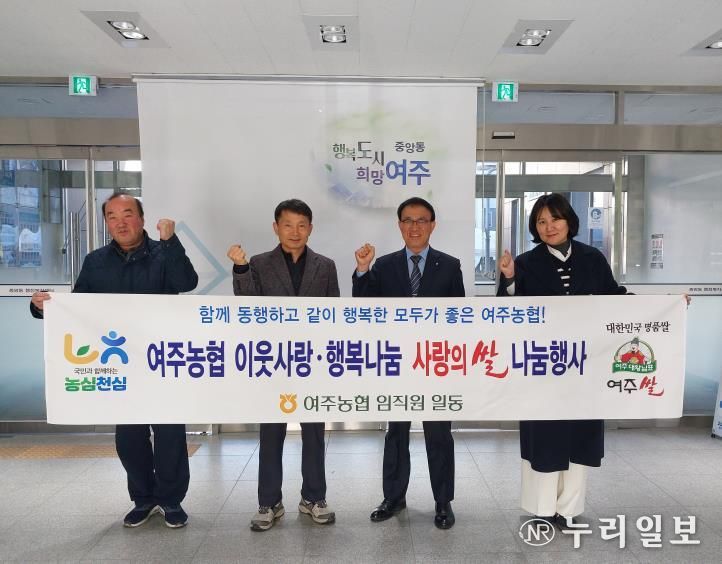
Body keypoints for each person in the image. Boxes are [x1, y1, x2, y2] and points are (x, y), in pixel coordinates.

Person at [30, 193, 198, 529]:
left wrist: (171, 242)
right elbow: (78, 309)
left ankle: (170, 500)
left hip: (163, 360)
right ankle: (144, 498)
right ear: (107, 222)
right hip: (121, 364)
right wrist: (42, 308)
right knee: (129, 439)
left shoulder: (164, 252)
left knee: (169, 435)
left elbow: (186, 282)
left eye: (127, 214)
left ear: (142, 219)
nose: (120, 223)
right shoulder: (96, 262)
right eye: (112, 216)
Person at [497, 192, 626, 529]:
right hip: (542, 366)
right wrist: (509, 279)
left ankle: (569, 509)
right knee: (545, 435)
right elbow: (507, 313)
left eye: (555, 219)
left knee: (579, 436)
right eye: (541, 221)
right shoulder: (525, 262)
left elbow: (616, 299)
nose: (549, 226)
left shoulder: (593, 258)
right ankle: (541, 508)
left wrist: (667, 305)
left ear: (569, 221)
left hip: (584, 364)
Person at [228, 198, 339, 532]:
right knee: (271, 433)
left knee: (314, 434)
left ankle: (314, 498)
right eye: (288, 225)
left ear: (311, 228)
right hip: (272, 362)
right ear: (276, 228)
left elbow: (334, 316)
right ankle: (269, 502)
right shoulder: (259, 264)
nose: (295, 232)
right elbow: (247, 307)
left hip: (311, 361)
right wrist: (241, 268)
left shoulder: (325, 266)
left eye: (302, 225)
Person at [352, 197, 464, 530]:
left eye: (421, 220)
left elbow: (459, 318)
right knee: (396, 433)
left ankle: (443, 502)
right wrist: (363, 270)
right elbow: (364, 307)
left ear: (433, 225)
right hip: (397, 363)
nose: (414, 227)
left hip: (435, 363)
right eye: (408, 220)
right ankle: (393, 497)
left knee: (439, 435)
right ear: (399, 225)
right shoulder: (384, 266)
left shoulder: (450, 266)